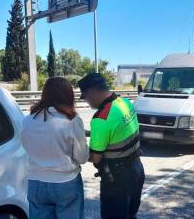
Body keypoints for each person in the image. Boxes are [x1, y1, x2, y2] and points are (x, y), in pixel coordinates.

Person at [21, 77, 89, 219]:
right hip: (65, 182)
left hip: (35, 181)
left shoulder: (28, 120)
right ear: (68, 95)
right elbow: (82, 157)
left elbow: (26, 146)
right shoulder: (72, 120)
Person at [78, 73, 145, 219]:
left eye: (86, 97)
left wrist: (75, 152)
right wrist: (90, 133)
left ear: (91, 92)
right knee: (130, 214)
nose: (87, 102)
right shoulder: (124, 102)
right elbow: (116, 131)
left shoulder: (101, 118)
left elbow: (96, 158)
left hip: (117, 180)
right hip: (136, 170)